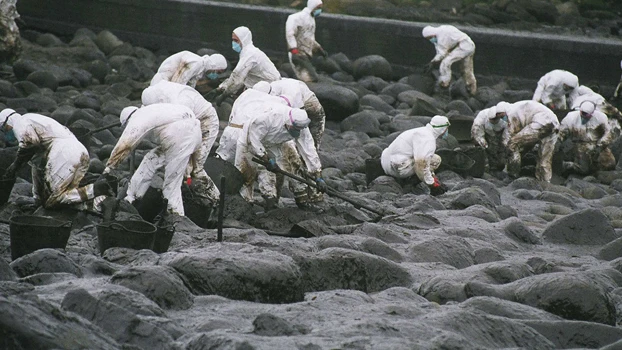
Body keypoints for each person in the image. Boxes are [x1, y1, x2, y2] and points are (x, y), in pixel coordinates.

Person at [0, 108, 114, 209]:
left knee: (54, 199)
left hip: (63, 153)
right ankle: (94, 205)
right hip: (80, 151)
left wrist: (15, 165)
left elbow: (30, 143)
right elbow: (36, 165)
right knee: (69, 194)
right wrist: (37, 198)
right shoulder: (33, 119)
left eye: (4, 128)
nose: (6, 132)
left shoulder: (20, 123)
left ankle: (96, 189)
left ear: (8, 121)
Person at [103, 104, 201, 216]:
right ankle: (132, 197)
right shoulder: (151, 110)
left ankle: (177, 220)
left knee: (171, 186)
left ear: (128, 121)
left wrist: (108, 168)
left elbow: (125, 143)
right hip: (191, 131)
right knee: (151, 159)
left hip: (178, 135)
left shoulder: (138, 118)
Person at [141, 80, 220, 206]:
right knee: (182, 167)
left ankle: (216, 201)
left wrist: (187, 164)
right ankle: (186, 194)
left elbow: (186, 131)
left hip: (204, 123)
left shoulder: (180, 101)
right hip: (187, 126)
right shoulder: (157, 93)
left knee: (195, 169)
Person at [235, 104, 325, 209]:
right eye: (295, 128)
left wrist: (318, 176)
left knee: (293, 165)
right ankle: (246, 205)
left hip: (276, 143)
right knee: (246, 175)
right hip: (249, 142)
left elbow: (309, 149)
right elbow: (253, 140)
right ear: (288, 122)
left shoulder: (302, 126)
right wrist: (267, 159)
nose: (298, 131)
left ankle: (275, 203)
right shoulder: (266, 120)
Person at [380, 115, 451, 196]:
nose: (447, 131)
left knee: (433, 158)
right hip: (397, 168)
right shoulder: (428, 139)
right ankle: (409, 184)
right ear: (442, 129)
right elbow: (421, 164)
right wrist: (432, 184)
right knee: (434, 161)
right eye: (446, 128)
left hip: (386, 161)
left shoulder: (421, 131)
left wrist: (433, 176)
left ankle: (406, 180)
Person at [211, 26, 281, 106]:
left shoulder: (249, 54)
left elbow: (237, 78)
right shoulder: (246, 53)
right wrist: (220, 88)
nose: (233, 43)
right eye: (233, 40)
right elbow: (238, 76)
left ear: (244, 40)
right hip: (258, 87)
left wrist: (224, 95)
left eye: (236, 41)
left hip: (270, 89)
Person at [496, 100, 560, 182]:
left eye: (502, 116)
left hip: (540, 122)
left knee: (512, 144)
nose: (502, 119)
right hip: (554, 124)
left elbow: (513, 133)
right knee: (544, 160)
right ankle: (545, 182)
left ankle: (512, 174)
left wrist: (506, 151)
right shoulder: (518, 106)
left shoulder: (511, 113)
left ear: (504, 111)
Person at [253, 78, 326, 149]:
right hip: (304, 100)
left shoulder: (289, 91)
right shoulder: (273, 86)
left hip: (309, 103)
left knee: (309, 133)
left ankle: (304, 153)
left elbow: (292, 116)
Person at [559, 101, 615, 175]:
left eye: (587, 115)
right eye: (583, 113)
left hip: (597, 144)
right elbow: (561, 132)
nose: (584, 116)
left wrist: (600, 146)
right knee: (584, 170)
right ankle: (569, 165)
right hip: (580, 144)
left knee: (610, 164)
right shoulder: (571, 117)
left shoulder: (601, 117)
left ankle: (595, 169)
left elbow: (608, 134)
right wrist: (559, 142)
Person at [422, 25, 477, 95]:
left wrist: (432, 63)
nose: (430, 39)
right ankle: (472, 90)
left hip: (463, 46)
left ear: (432, 34)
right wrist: (432, 61)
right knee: (466, 70)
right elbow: (439, 51)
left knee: (445, 63)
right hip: (469, 45)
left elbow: (442, 53)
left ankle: (444, 84)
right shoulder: (439, 33)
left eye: (429, 38)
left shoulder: (441, 35)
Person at [285, 0, 327, 82]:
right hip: (298, 54)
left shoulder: (311, 19)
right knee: (310, 78)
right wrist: (294, 49)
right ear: (312, 6)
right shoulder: (296, 18)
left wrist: (319, 49)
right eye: (318, 8)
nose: (319, 10)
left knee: (309, 78)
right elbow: (290, 34)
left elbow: (309, 38)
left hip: (306, 54)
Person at [150, 51, 227, 88]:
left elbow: (190, 86)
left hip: (165, 84)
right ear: (214, 66)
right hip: (161, 83)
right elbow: (178, 82)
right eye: (218, 72)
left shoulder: (200, 68)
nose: (216, 75)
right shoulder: (196, 63)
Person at [471, 106, 509, 173]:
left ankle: (499, 166)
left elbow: (507, 135)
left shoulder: (505, 120)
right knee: (482, 149)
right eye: (492, 120)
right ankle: (485, 167)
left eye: (495, 120)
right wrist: (484, 145)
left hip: (499, 133)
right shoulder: (481, 118)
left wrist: (505, 145)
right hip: (483, 132)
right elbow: (477, 134)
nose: (493, 121)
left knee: (500, 149)